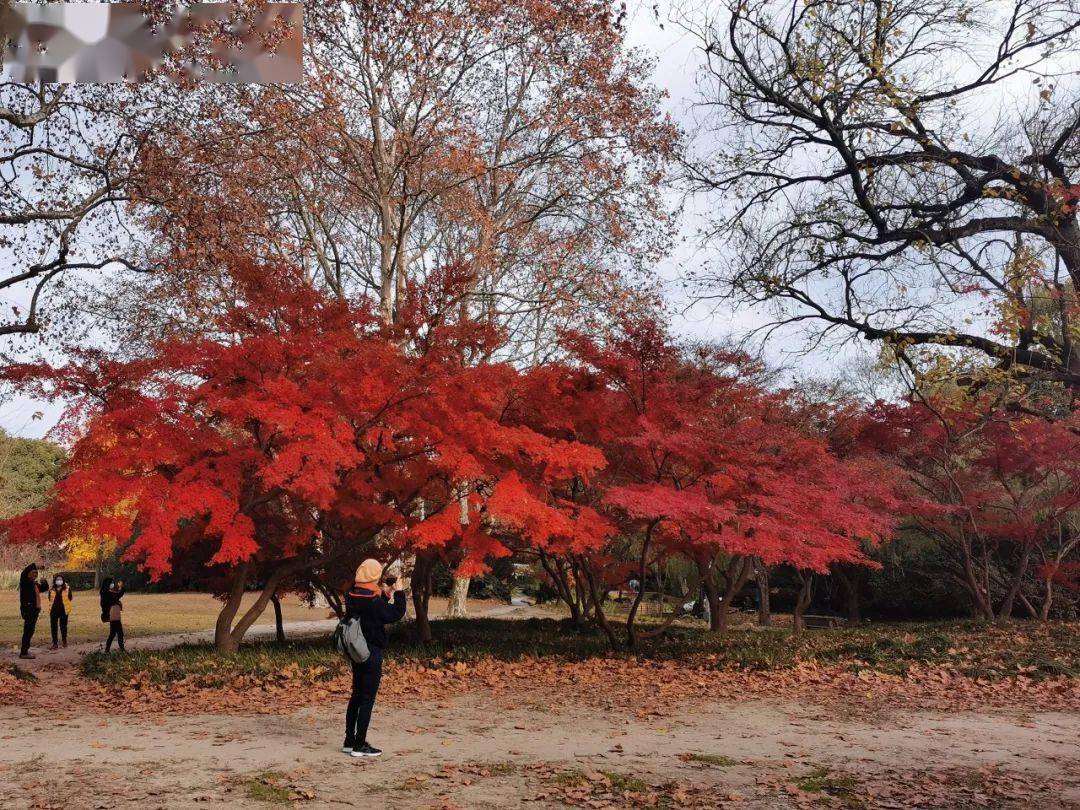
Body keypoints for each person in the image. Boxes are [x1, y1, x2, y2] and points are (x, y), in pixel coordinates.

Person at [342, 558, 406, 758]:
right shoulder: (373, 601)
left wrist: (385, 596)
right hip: (372, 652)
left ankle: (349, 740)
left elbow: (373, 610)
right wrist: (400, 592)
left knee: (356, 695)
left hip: (356, 650)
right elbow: (395, 614)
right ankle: (360, 744)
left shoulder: (352, 594)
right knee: (367, 699)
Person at [18, 563, 47, 659]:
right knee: (28, 631)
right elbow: (25, 570)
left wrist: (44, 582)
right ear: (28, 573)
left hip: (34, 610)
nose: (35, 574)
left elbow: (44, 589)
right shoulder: (25, 581)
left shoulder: (34, 583)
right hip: (28, 610)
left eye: (36, 573)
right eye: (33, 573)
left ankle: (25, 651)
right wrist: (37, 566)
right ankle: (24, 652)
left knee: (30, 631)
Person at [100, 577, 126, 652]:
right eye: (111, 583)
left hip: (113, 615)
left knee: (113, 634)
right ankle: (122, 650)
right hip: (113, 615)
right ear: (108, 583)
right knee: (120, 632)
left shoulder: (105, 592)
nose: (113, 584)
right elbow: (117, 595)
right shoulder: (106, 593)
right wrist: (121, 587)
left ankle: (107, 650)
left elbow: (116, 595)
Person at [48, 574, 74, 649]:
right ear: (55, 581)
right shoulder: (51, 589)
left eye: (60, 579)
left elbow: (70, 598)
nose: (59, 581)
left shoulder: (67, 588)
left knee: (63, 626)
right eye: (57, 579)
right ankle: (55, 643)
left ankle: (64, 640)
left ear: (63, 580)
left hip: (64, 610)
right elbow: (49, 598)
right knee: (53, 627)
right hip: (53, 610)